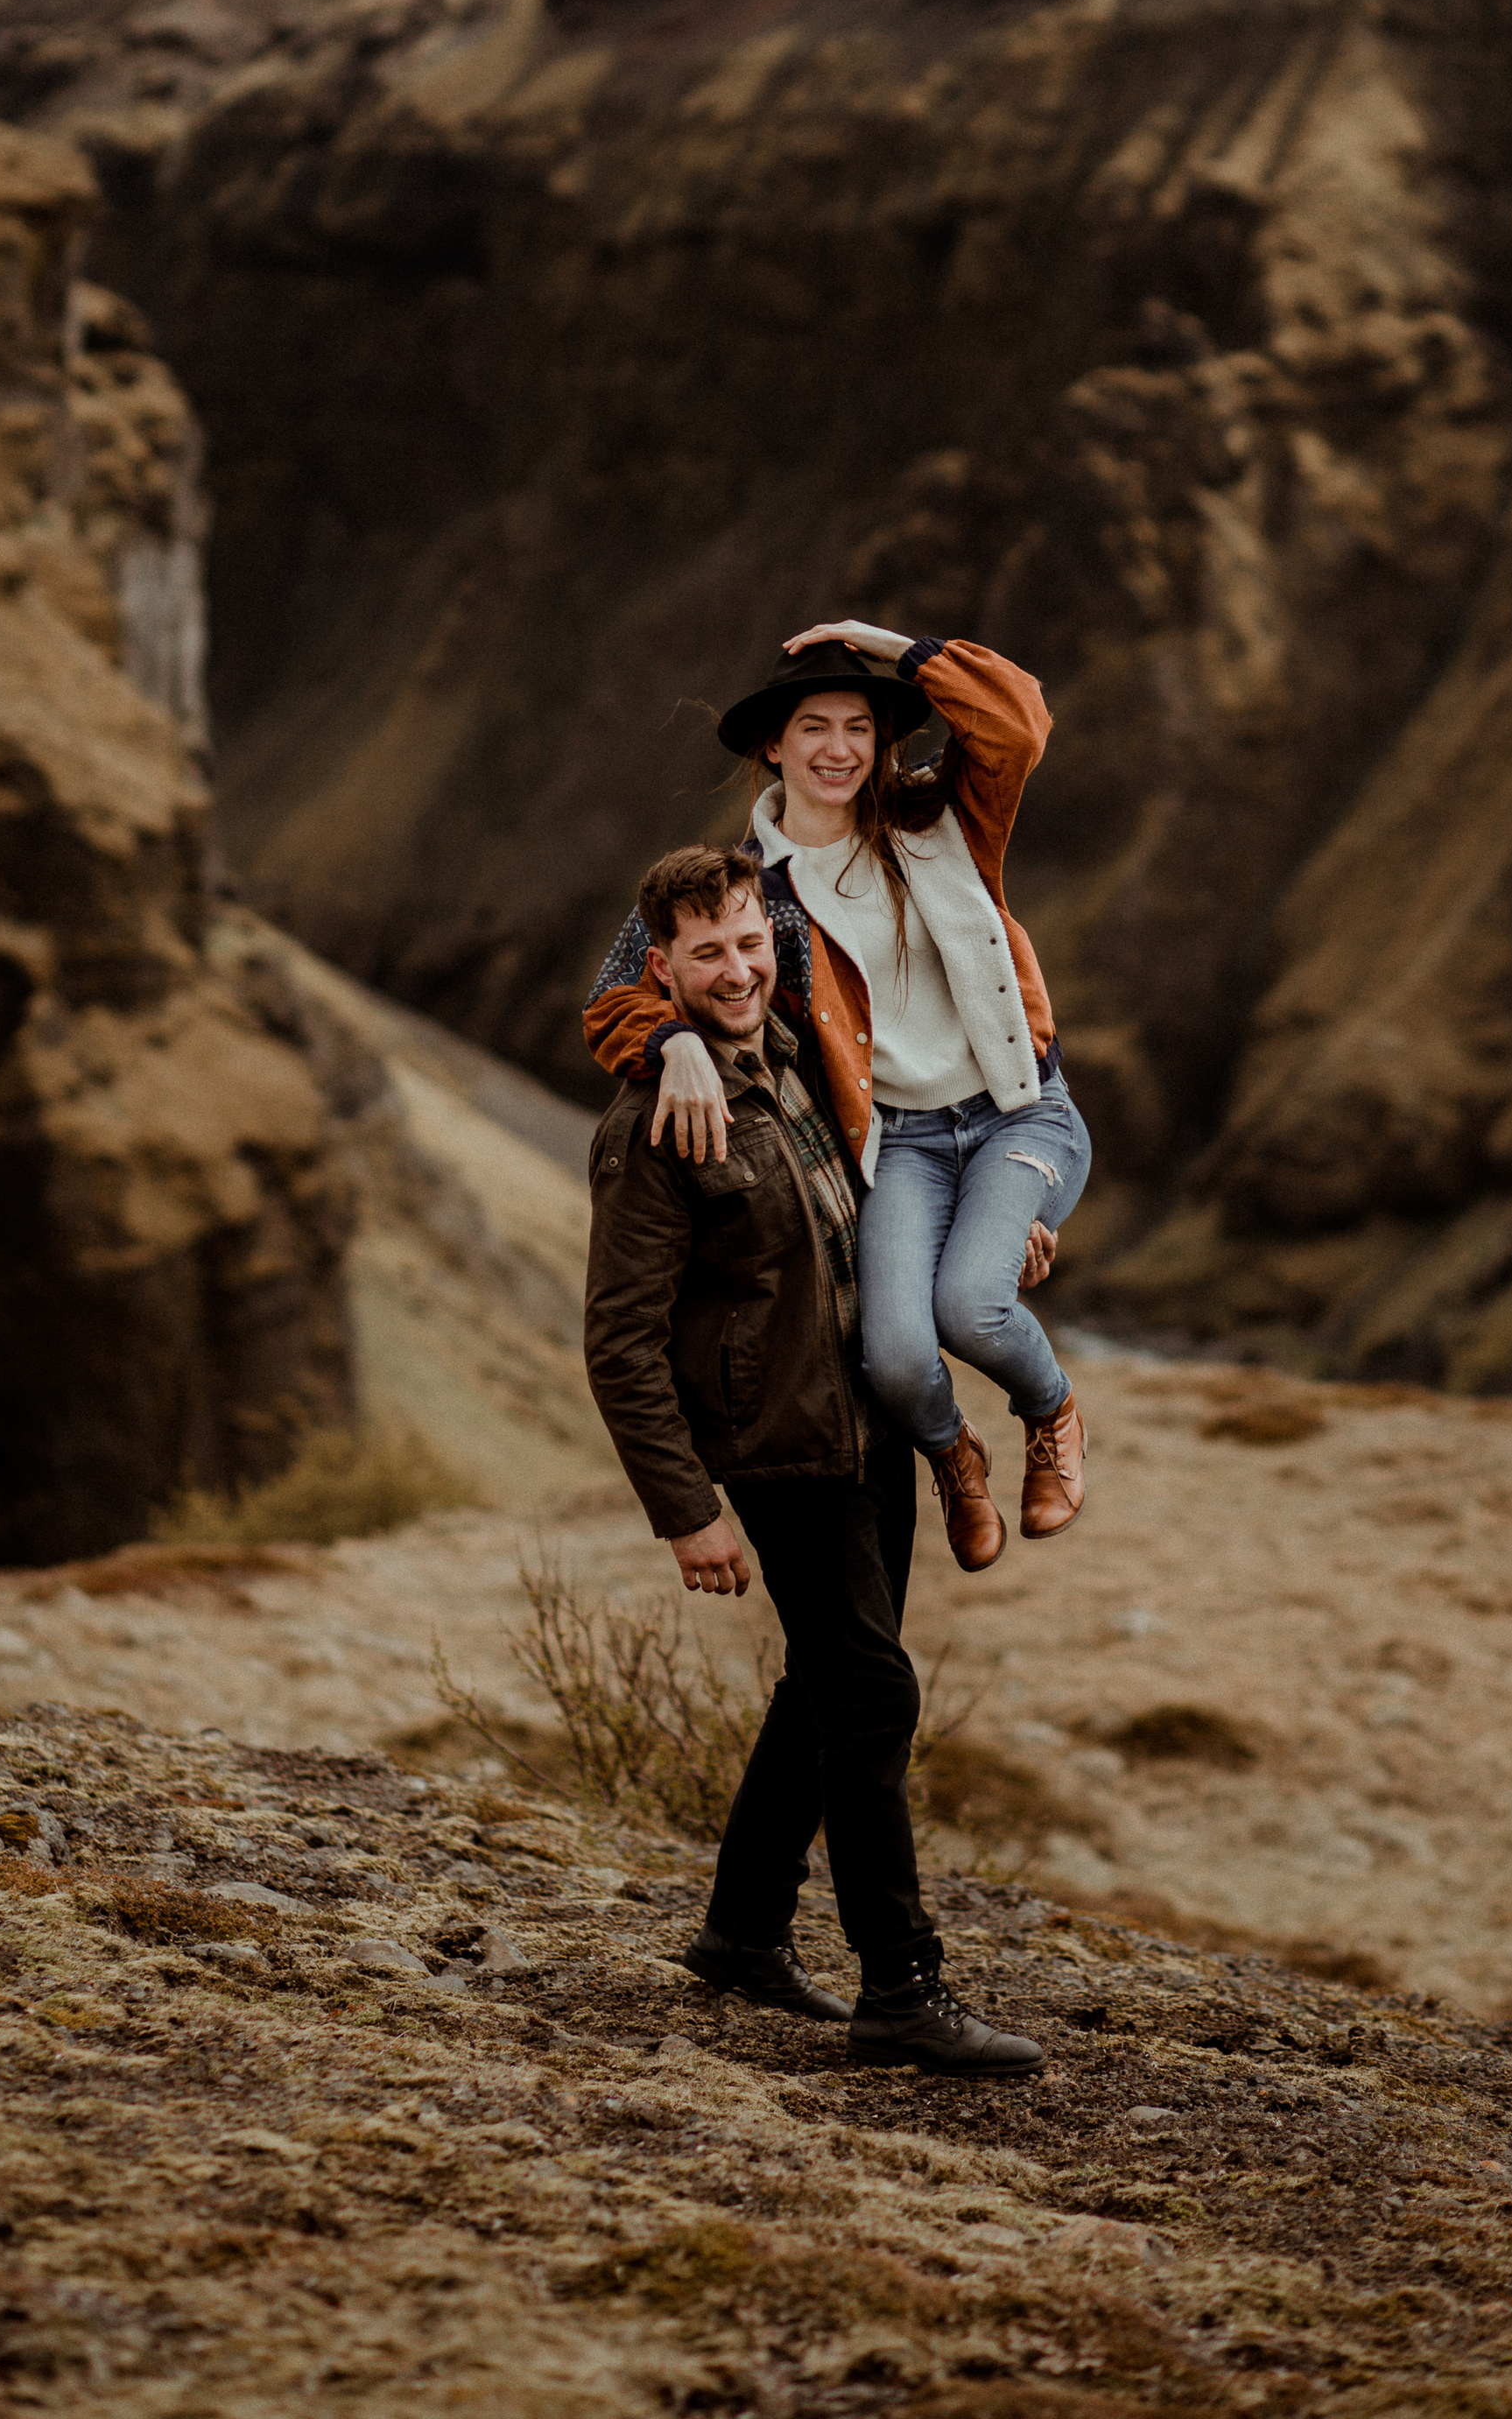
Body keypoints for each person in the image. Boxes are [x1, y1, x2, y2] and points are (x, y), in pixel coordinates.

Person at [584, 841, 1044, 2077]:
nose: (735, 970)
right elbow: (619, 1343)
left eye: (748, 943)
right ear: (663, 969)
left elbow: (891, 1202)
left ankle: (742, 1933)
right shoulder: (654, 1125)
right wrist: (688, 1512)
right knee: (872, 1693)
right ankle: (902, 1985)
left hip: (865, 1425)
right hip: (781, 1448)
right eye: (705, 955)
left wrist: (996, 1251)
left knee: (828, 1681)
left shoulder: (793, 1053)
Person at [585, 622, 1089, 1575]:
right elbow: (616, 993)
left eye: (859, 726)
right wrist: (673, 1041)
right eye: (812, 726)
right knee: (895, 1358)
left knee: (970, 1309)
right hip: (897, 1147)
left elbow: (1019, 724)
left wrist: (893, 648)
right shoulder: (749, 889)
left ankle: (1051, 1413)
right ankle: (953, 1456)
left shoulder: (940, 821)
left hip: (1017, 1115)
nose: (838, 749)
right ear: (771, 744)